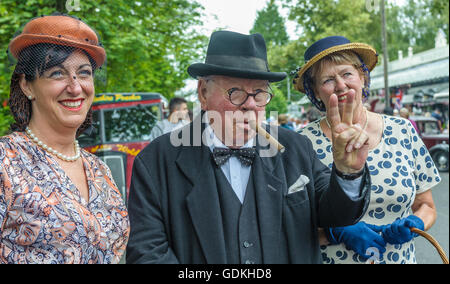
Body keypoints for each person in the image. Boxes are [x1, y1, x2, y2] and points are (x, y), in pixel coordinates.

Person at [126, 30, 372, 264]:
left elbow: (337, 215)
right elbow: (148, 253)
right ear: (203, 92)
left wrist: (348, 172)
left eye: (260, 93)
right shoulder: (156, 162)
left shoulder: (295, 148)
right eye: (236, 93)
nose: (251, 105)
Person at [294, 36, 440, 264]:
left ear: (363, 77)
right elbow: (287, 229)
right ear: (315, 92)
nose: (341, 85)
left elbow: (426, 205)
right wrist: (334, 232)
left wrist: (418, 222)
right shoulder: (300, 144)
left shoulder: (402, 130)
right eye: (328, 80)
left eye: (347, 74)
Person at [0, 14, 129, 264]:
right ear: (27, 85)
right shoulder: (5, 162)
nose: (75, 87)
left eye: (84, 73)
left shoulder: (99, 169)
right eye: (57, 73)